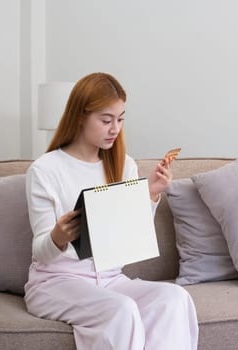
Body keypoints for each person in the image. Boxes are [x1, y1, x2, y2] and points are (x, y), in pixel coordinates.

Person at [24, 72, 199, 350]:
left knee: (173, 299)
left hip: (109, 280)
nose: (115, 128)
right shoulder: (45, 170)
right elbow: (41, 254)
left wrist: (151, 194)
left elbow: (129, 238)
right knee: (122, 310)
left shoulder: (124, 165)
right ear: (80, 116)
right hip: (55, 283)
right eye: (106, 120)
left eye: (120, 119)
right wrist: (58, 236)